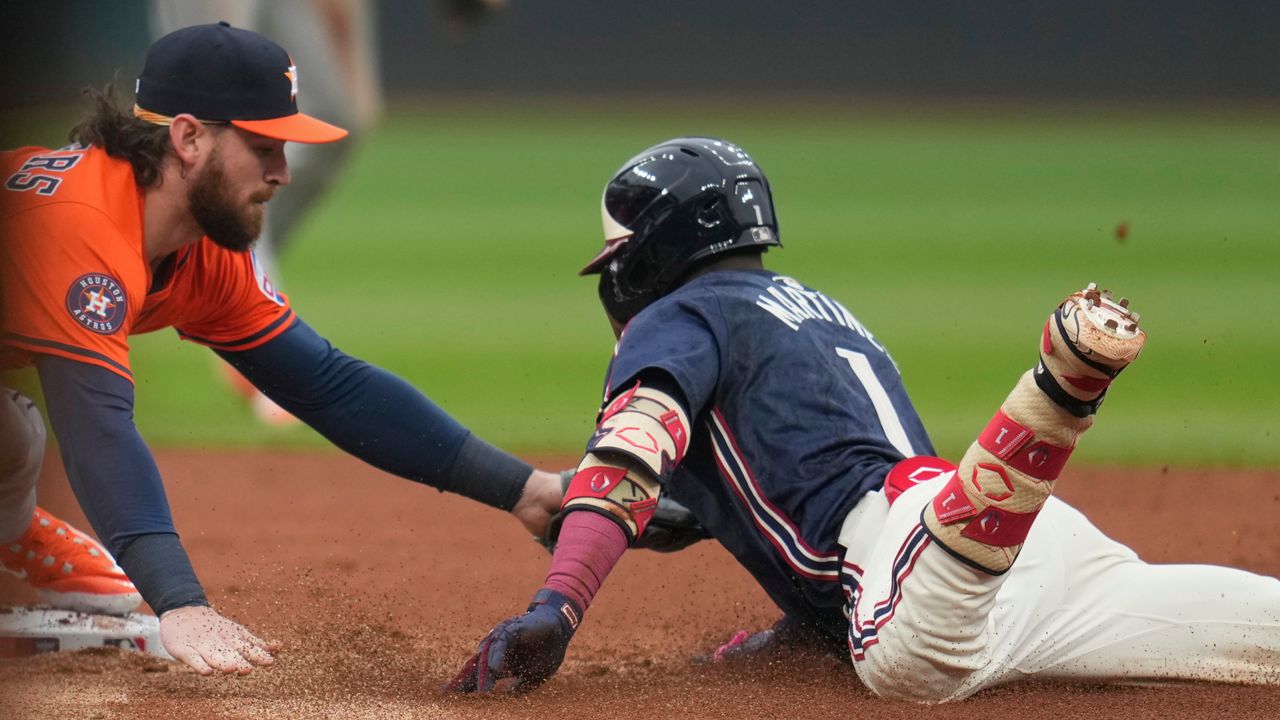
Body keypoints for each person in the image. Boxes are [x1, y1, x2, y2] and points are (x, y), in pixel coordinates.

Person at [447, 137, 1280, 700]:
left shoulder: (681, 315)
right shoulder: (820, 311)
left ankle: (1056, 397)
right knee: (1229, 633)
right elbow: (821, 473)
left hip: (938, 561)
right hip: (1005, 541)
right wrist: (748, 577)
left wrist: (557, 608)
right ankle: (1029, 443)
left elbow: (631, 454)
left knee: (906, 667)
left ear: (652, 250)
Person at [0, 22, 568, 676]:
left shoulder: (201, 249)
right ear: (188, 138)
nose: (283, 172)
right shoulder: (86, 230)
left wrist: (524, 490)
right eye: (264, 145)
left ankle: (12, 529)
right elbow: (97, 426)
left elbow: (327, 386)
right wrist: (180, 602)